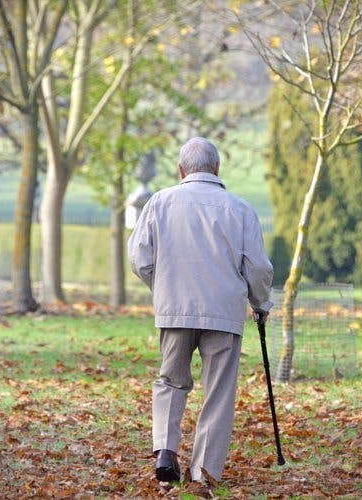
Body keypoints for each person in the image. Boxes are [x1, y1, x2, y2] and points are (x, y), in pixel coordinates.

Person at [127, 137, 274, 485]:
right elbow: (258, 267)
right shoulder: (239, 209)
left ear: (181, 170)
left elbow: (139, 258)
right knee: (218, 392)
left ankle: (165, 451)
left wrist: (162, 285)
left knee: (170, 381)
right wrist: (260, 304)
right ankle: (203, 473)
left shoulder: (159, 203)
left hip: (174, 308)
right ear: (217, 169)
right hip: (224, 313)